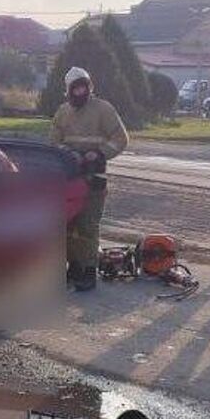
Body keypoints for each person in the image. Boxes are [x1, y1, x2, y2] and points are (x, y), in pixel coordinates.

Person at [51, 66, 129, 292]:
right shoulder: (63, 112)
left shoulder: (103, 109)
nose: (79, 93)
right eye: (74, 89)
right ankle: (73, 266)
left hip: (94, 178)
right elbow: (54, 140)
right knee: (68, 224)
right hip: (70, 179)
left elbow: (120, 138)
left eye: (83, 88)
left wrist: (101, 153)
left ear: (89, 87)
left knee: (88, 226)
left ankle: (88, 270)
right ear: (68, 90)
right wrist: (68, 153)